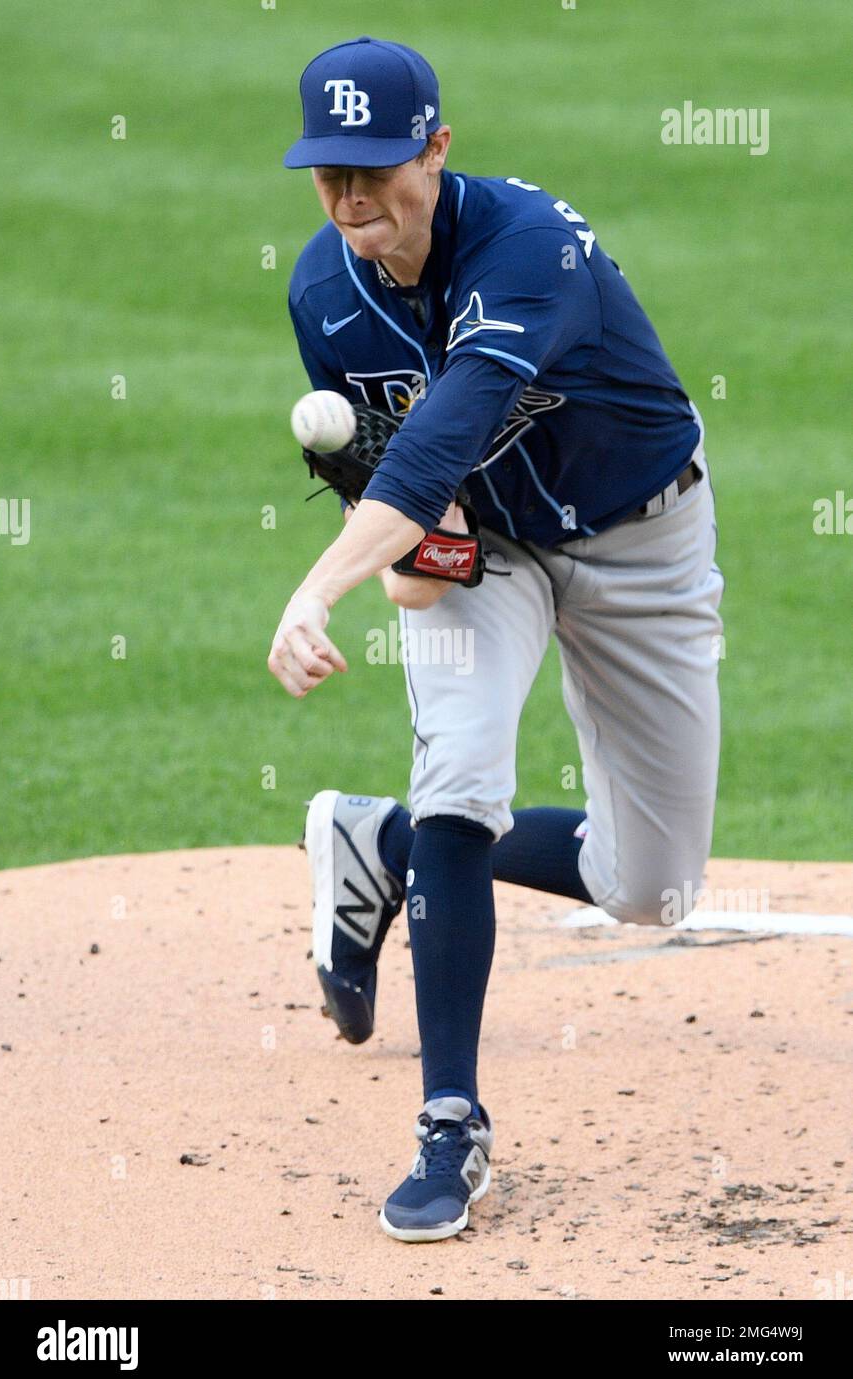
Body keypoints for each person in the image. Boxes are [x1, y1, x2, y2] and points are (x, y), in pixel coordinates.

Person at [270, 36, 724, 1242]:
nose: (353, 195)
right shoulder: (324, 294)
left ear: (436, 146)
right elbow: (431, 536)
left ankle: (380, 842)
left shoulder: (532, 250)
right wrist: (414, 568)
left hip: (643, 542)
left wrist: (312, 591)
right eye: (328, 171)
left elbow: (436, 439)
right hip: (494, 551)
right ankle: (448, 1125)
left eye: (377, 165)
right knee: (462, 775)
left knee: (652, 885)